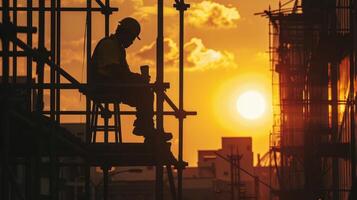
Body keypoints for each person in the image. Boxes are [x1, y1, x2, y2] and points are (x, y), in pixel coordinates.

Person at [89, 17, 172, 142]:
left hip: (111, 85)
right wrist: (138, 79)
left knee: (144, 92)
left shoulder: (117, 48)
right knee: (145, 93)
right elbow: (114, 71)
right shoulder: (109, 45)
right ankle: (145, 128)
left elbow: (123, 74)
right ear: (125, 33)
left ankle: (146, 128)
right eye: (132, 38)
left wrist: (138, 80)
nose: (132, 42)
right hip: (104, 86)